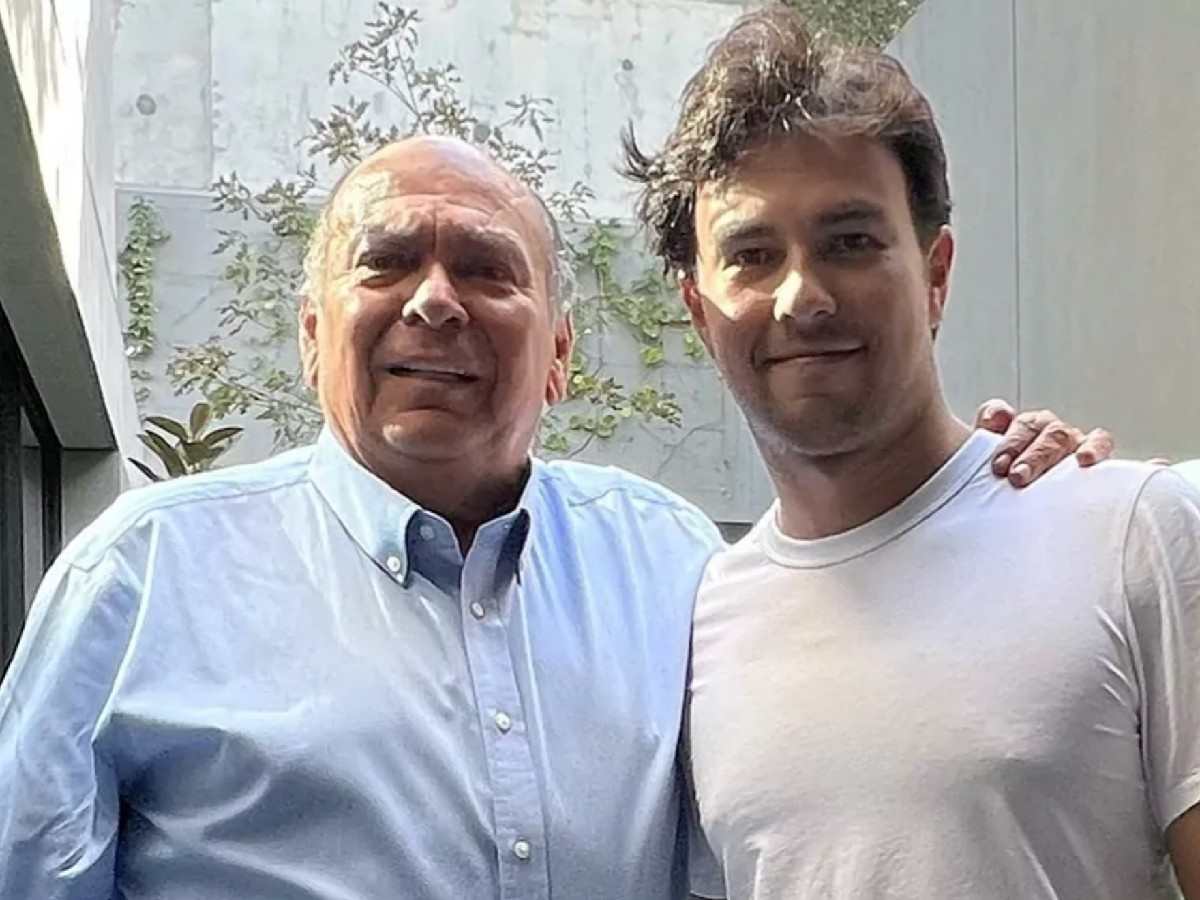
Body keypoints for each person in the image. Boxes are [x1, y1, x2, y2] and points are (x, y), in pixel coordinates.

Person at [0, 134, 1104, 899]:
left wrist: (1000, 494)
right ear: (308, 334)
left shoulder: (677, 567)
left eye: (488, 268)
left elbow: (874, 669)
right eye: (386, 263)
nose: (435, 300)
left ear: (562, 355)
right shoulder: (139, 583)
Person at [623, 7, 1200, 899]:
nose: (801, 296)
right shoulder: (696, 629)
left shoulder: (1129, 533)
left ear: (935, 274)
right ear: (700, 311)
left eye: (850, 242)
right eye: (752, 255)